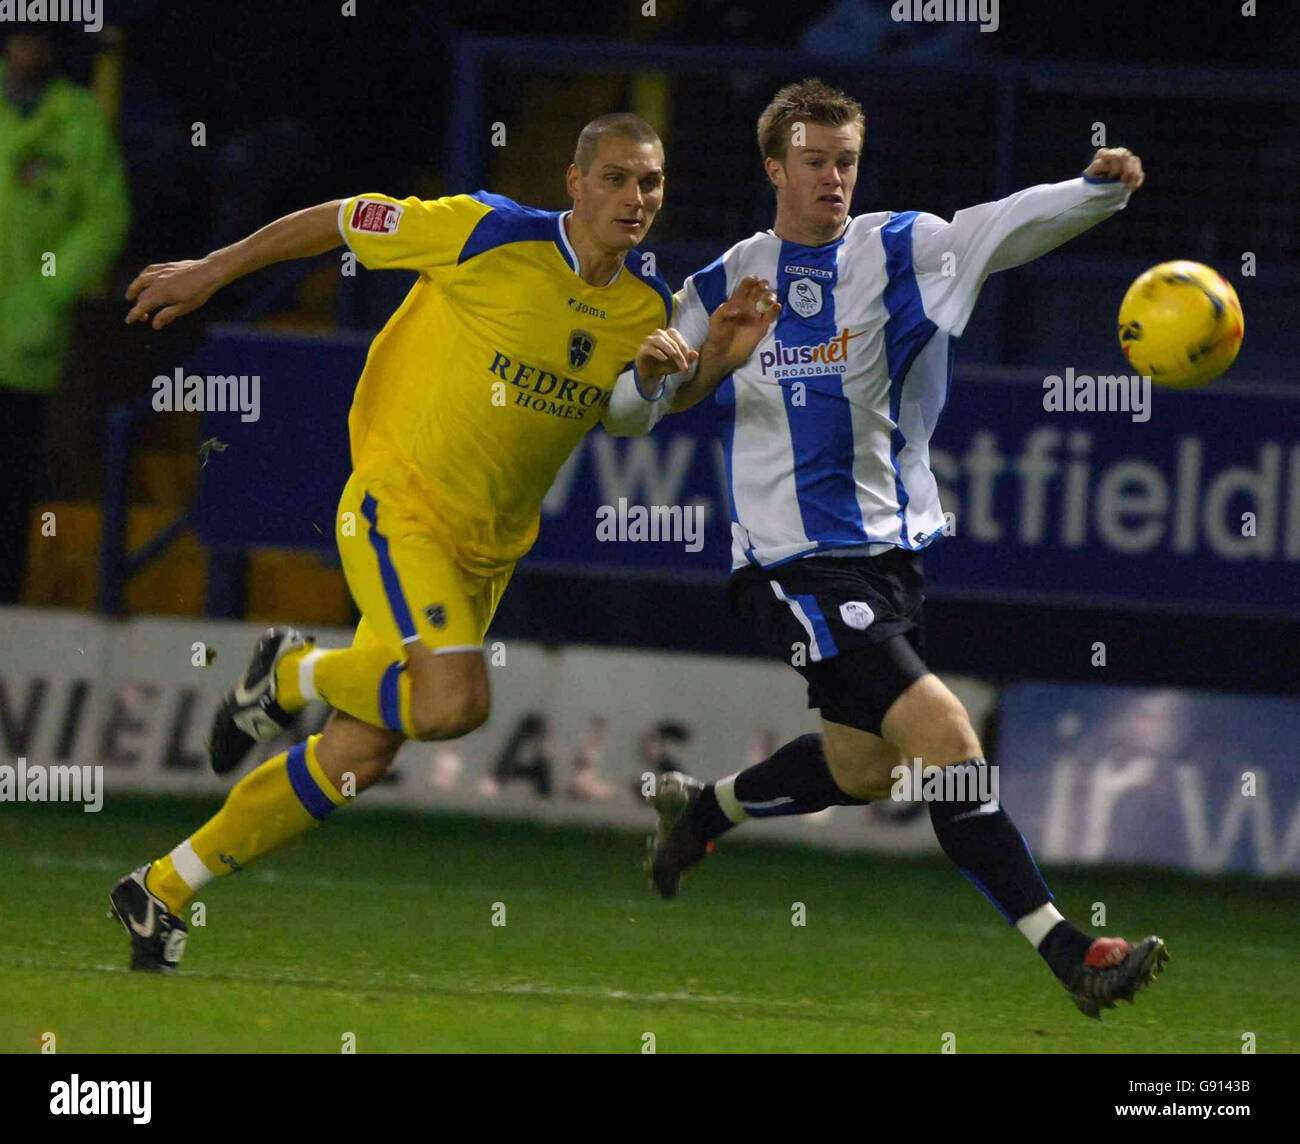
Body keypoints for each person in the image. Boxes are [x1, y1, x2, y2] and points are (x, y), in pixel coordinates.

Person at [107, 112, 778, 972]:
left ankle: (161, 888)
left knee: (365, 750)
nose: (634, 198)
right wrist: (214, 269)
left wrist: (711, 359)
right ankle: (291, 674)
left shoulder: (641, 309)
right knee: (457, 702)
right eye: (613, 178)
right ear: (574, 184)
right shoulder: (485, 231)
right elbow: (344, 218)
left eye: (648, 182)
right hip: (401, 506)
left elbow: (628, 413)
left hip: (486, 554)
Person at [620, 78, 1167, 1019]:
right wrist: (681, 365)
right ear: (774, 167)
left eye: (847, 161)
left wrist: (1098, 190)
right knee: (946, 737)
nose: (834, 178)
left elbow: (999, 227)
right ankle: (1072, 953)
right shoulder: (723, 284)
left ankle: (704, 811)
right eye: (814, 160)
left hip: (889, 557)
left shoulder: (900, 249)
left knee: (866, 766)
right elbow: (630, 415)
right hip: (788, 565)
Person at [0, 29, 128, 602]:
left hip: (25, 347)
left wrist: (45, 293)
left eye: (40, 39)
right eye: (20, 38)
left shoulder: (77, 119)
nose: (30, 51)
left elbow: (106, 215)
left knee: (10, 491)